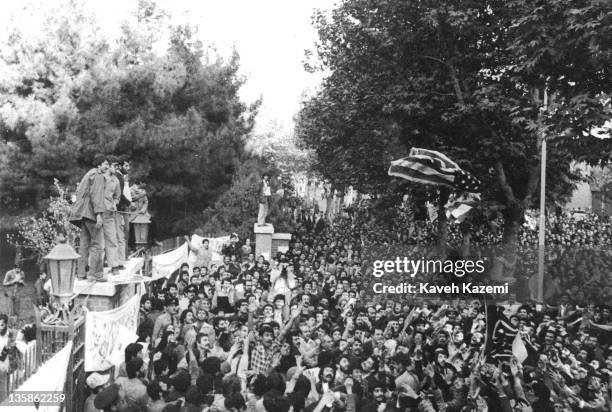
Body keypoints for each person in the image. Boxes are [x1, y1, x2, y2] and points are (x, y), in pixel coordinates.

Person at [69, 154, 108, 282]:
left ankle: (81, 274)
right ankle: (95, 274)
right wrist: (99, 215)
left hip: (81, 215)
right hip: (91, 214)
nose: (107, 167)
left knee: (83, 245)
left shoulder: (88, 174)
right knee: (98, 245)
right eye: (105, 164)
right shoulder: (98, 176)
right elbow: (96, 196)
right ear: (99, 165)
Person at [103, 156, 122, 272]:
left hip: (110, 213)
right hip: (98, 213)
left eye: (117, 166)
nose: (116, 168)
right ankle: (94, 267)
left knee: (112, 239)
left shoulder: (116, 180)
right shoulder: (99, 178)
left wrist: (115, 203)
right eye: (114, 166)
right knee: (97, 242)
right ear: (108, 166)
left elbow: (117, 196)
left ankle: (114, 265)